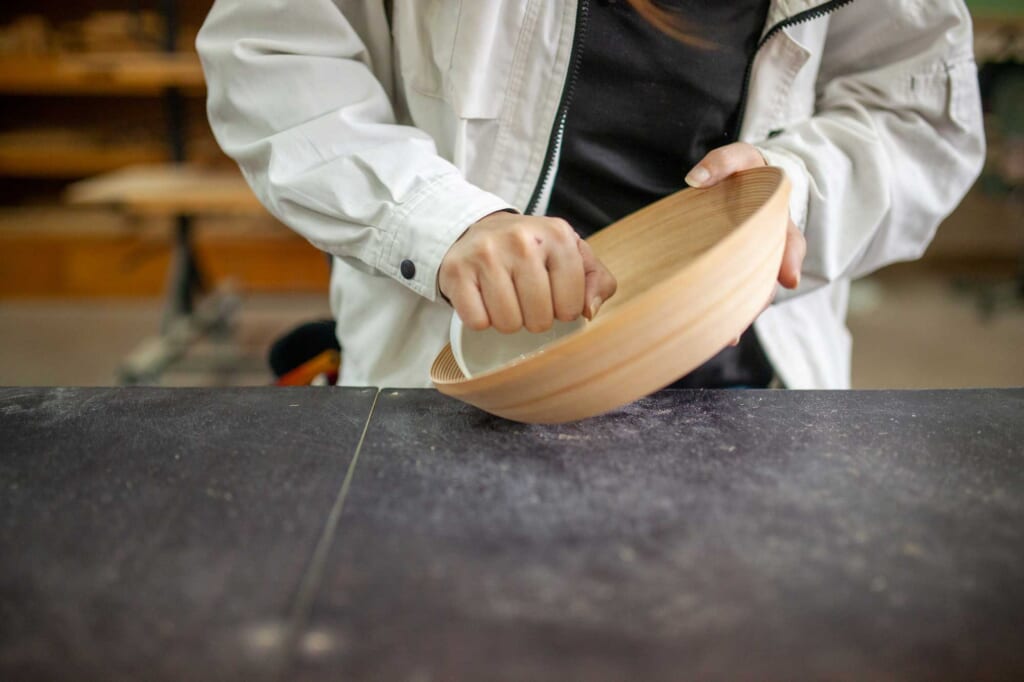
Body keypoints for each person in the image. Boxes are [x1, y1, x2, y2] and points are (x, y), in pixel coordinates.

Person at [197, 0, 984, 389]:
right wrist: (439, 223)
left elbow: (915, 106)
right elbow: (273, 49)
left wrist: (798, 190)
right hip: (456, 385)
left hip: (752, 391)